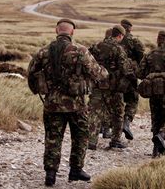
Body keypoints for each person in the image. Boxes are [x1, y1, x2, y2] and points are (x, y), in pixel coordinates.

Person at [27, 18, 108, 186]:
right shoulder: (80, 51)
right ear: (72, 32)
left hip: (52, 104)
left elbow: (31, 73)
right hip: (76, 105)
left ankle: (50, 173)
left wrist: (38, 90)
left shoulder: (44, 51)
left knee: (53, 138)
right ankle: (75, 170)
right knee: (80, 137)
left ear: (57, 31)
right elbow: (98, 73)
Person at [87, 25, 136, 150]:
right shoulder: (118, 49)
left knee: (94, 113)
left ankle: (92, 141)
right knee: (118, 113)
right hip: (113, 88)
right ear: (119, 35)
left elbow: (87, 63)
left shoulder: (96, 46)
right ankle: (115, 140)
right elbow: (125, 69)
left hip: (97, 85)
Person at [120, 19, 145, 140]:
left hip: (115, 77)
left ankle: (107, 127)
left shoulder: (114, 39)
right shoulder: (135, 41)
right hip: (130, 76)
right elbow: (142, 60)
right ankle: (126, 122)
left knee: (115, 100)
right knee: (132, 100)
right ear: (130, 28)